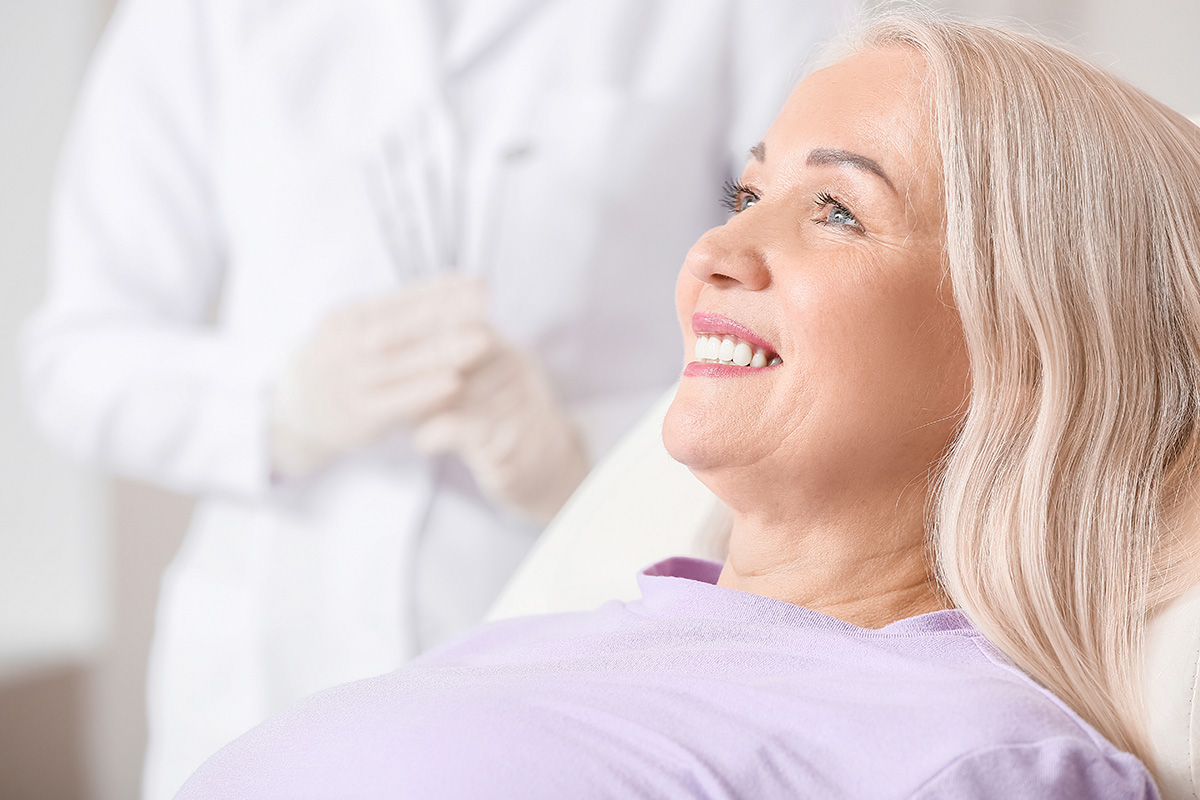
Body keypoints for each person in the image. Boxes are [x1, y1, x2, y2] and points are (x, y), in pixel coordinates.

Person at [171, 11, 1200, 799]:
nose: (714, 252)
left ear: (1027, 345)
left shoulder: (979, 755)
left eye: (837, 209)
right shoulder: (546, 640)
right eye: (747, 197)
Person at [19, 0, 855, 797]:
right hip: (265, 663)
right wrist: (282, 406)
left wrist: (581, 456)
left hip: (570, 649)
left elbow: (829, 324)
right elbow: (73, 360)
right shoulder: (197, 16)